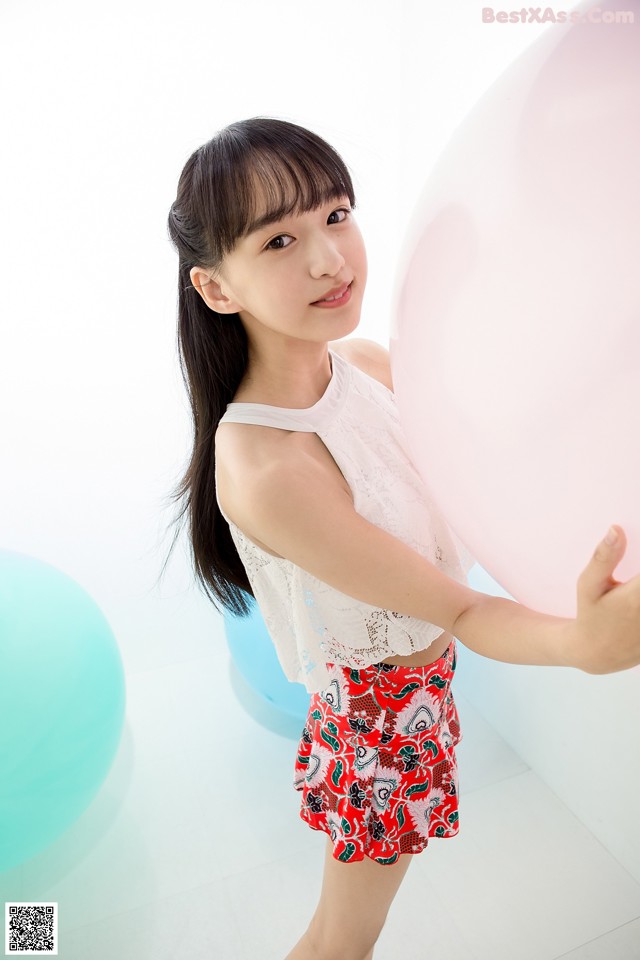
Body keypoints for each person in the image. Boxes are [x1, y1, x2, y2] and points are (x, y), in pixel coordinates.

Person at [165, 117, 640, 960]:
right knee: (343, 942)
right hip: (380, 724)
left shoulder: (369, 363)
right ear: (215, 288)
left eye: (336, 215)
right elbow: (459, 608)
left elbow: (497, 441)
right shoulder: (270, 467)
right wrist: (581, 645)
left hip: (417, 700)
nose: (327, 259)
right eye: (280, 239)